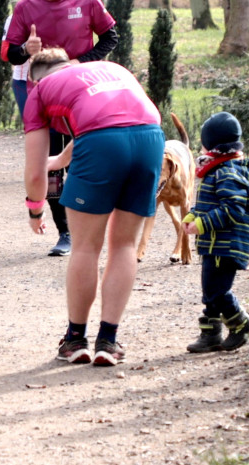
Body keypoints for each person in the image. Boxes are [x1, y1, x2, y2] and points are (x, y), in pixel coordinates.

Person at [23, 49, 163, 365]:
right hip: (151, 137)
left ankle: (75, 341)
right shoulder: (109, 68)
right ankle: (108, 342)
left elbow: (34, 173)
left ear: (35, 80)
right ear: (70, 63)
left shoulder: (41, 90)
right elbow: (112, 116)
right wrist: (63, 159)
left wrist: (35, 208)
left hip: (102, 145)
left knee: (86, 248)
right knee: (124, 245)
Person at [5, 0, 119, 257]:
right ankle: (64, 232)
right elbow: (8, 53)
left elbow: (111, 37)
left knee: (85, 161)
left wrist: (81, 62)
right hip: (45, 95)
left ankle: (89, 225)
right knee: (52, 166)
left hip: (85, 94)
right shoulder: (27, 7)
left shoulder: (87, 0)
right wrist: (26, 50)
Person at [182, 112, 249, 353]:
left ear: (213, 144)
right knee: (210, 292)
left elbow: (233, 208)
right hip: (215, 244)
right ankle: (210, 335)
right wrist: (195, 214)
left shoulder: (227, 172)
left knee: (217, 291)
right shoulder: (221, 169)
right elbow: (212, 202)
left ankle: (242, 324)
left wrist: (203, 224)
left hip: (225, 244)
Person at [1, 0, 42, 120]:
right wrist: (25, 48)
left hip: (49, 78)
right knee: (32, 125)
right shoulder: (13, 19)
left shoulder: (51, 14)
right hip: (22, 81)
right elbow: (5, 54)